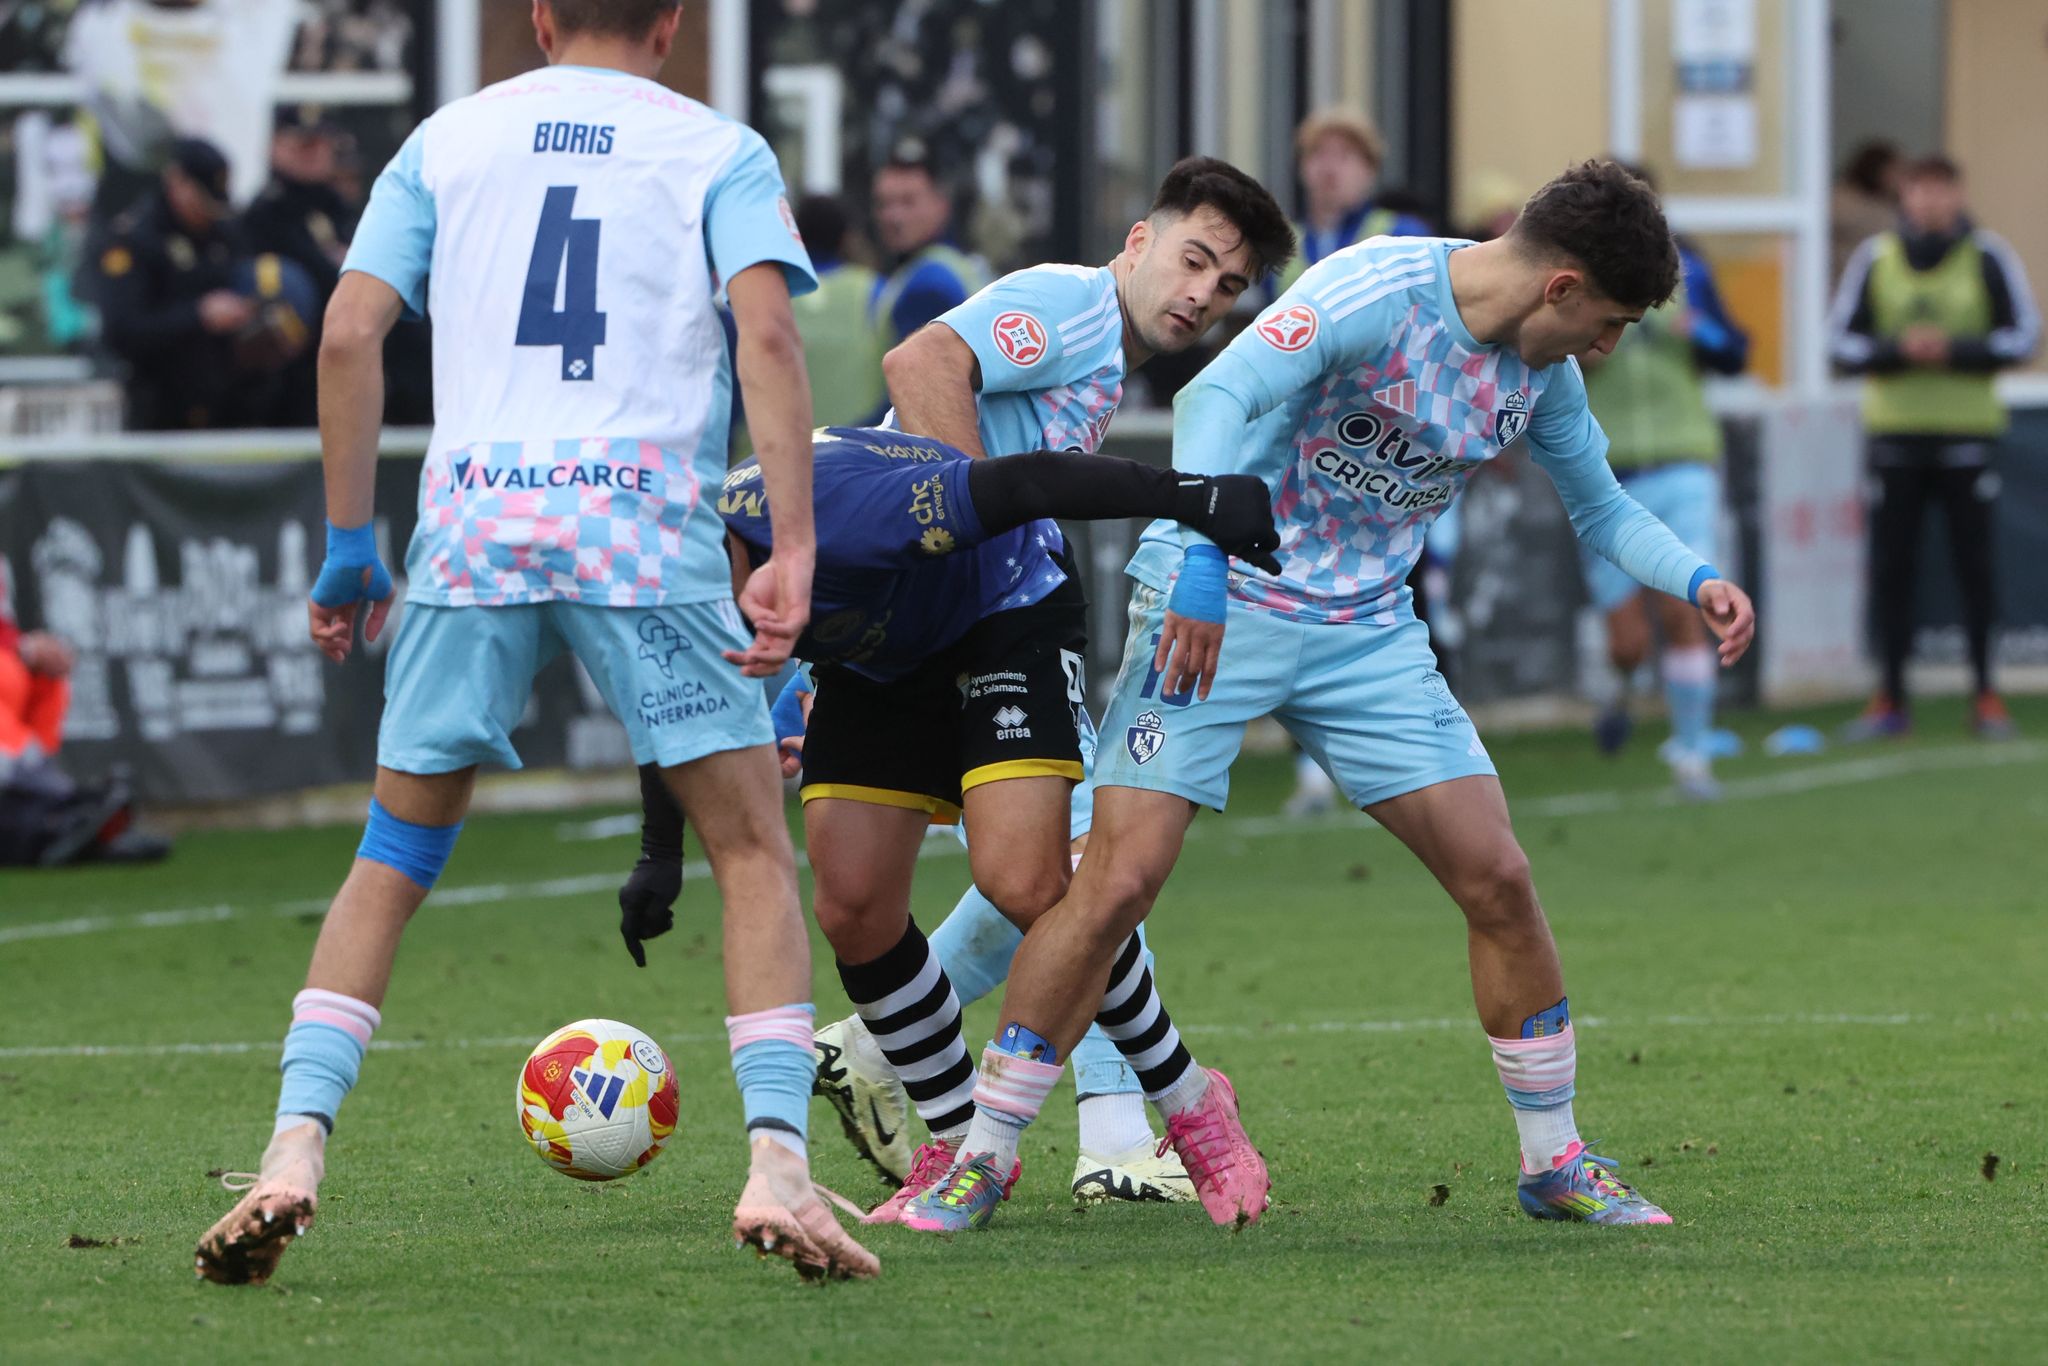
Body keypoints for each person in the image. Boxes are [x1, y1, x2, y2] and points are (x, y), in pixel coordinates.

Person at [907, 161, 1759, 1235]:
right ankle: (980, 1158)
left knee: (1496, 873)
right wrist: (1208, 562)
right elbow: (1217, 393)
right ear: (1561, 287)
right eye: (1609, 322)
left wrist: (1693, 576)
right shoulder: (1375, 293)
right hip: (1218, 599)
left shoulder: (1542, 379)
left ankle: (1554, 1159)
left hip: (1365, 632)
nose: (1605, 347)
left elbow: (1600, 506)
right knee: (1116, 880)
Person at [194, 0, 879, 1287]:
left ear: (540, 19)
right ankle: (778, 1163)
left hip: (475, 532)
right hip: (641, 534)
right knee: (745, 852)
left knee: (393, 854)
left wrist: (352, 545)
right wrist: (790, 543)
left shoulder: (447, 140)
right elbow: (767, 334)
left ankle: (292, 1151)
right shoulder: (716, 150)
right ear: (672, 23)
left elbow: (347, 332)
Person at [765, 158, 1293, 1228]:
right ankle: (957, 1141)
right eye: (1191, 259)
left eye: (1227, 284)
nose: (1200, 293)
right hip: (910, 605)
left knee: (1026, 881)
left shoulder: (1116, 349)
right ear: (1137, 242)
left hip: (1002, 618)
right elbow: (921, 361)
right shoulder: (1071, 301)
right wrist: (962, 524)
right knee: (853, 904)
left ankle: (1186, 1104)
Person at [1828, 155, 2040, 740]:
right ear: (1905, 196)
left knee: (1976, 568)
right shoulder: (1877, 257)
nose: (1929, 201)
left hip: (1966, 436)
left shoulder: (1989, 255)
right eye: (1918, 190)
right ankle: (1890, 697)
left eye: (1941, 190)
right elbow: (1840, 341)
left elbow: (2024, 333)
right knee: (1893, 569)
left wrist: (1953, 349)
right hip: (1895, 437)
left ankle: (1987, 695)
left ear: (1958, 195)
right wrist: (1898, 351)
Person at [1580, 167, 1750, 798]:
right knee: (1626, 640)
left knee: (1685, 610)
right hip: (1607, 475)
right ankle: (1624, 685)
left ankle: (1692, 757)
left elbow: (1737, 350)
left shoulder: (1689, 273)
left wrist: (1699, 329)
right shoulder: (1577, 284)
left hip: (1683, 462)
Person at [93, 137, 261, 429]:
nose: (208, 212)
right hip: (161, 407)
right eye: (201, 199)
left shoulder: (223, 234)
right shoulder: (136, 239)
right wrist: (198, 316)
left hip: (228, 402)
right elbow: (121, 331)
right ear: (177, 181)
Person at [243, 105, 359, 425]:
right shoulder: (266, 213)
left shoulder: (336, 207)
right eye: (304, 145)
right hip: (294, 376)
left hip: (351, 360)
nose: (316, 153)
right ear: (276, 147)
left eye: (323, 144)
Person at [1275, 107, 1432, 294]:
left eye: (1344, 155)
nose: (1329, 167)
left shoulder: (1403, 235)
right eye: (1318, 153)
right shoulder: (1280, 245)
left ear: (1370, 170)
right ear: (1301, 167)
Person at [869, 144, 988, 351]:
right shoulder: (953, 265)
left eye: (908, 202)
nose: (893, 217)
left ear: (941, 204)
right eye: (884, 204)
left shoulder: (928, 285)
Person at [788, 194, 886, 426]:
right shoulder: (874, 291)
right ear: (847, 238)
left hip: (770, 452)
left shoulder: (771, 292)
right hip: (853, 447)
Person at [1831, 140, 1901, 287]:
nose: (1899, 178)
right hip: (1843, 283)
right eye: (1895, 171)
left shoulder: (1887, 204)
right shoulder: (1843, 203)